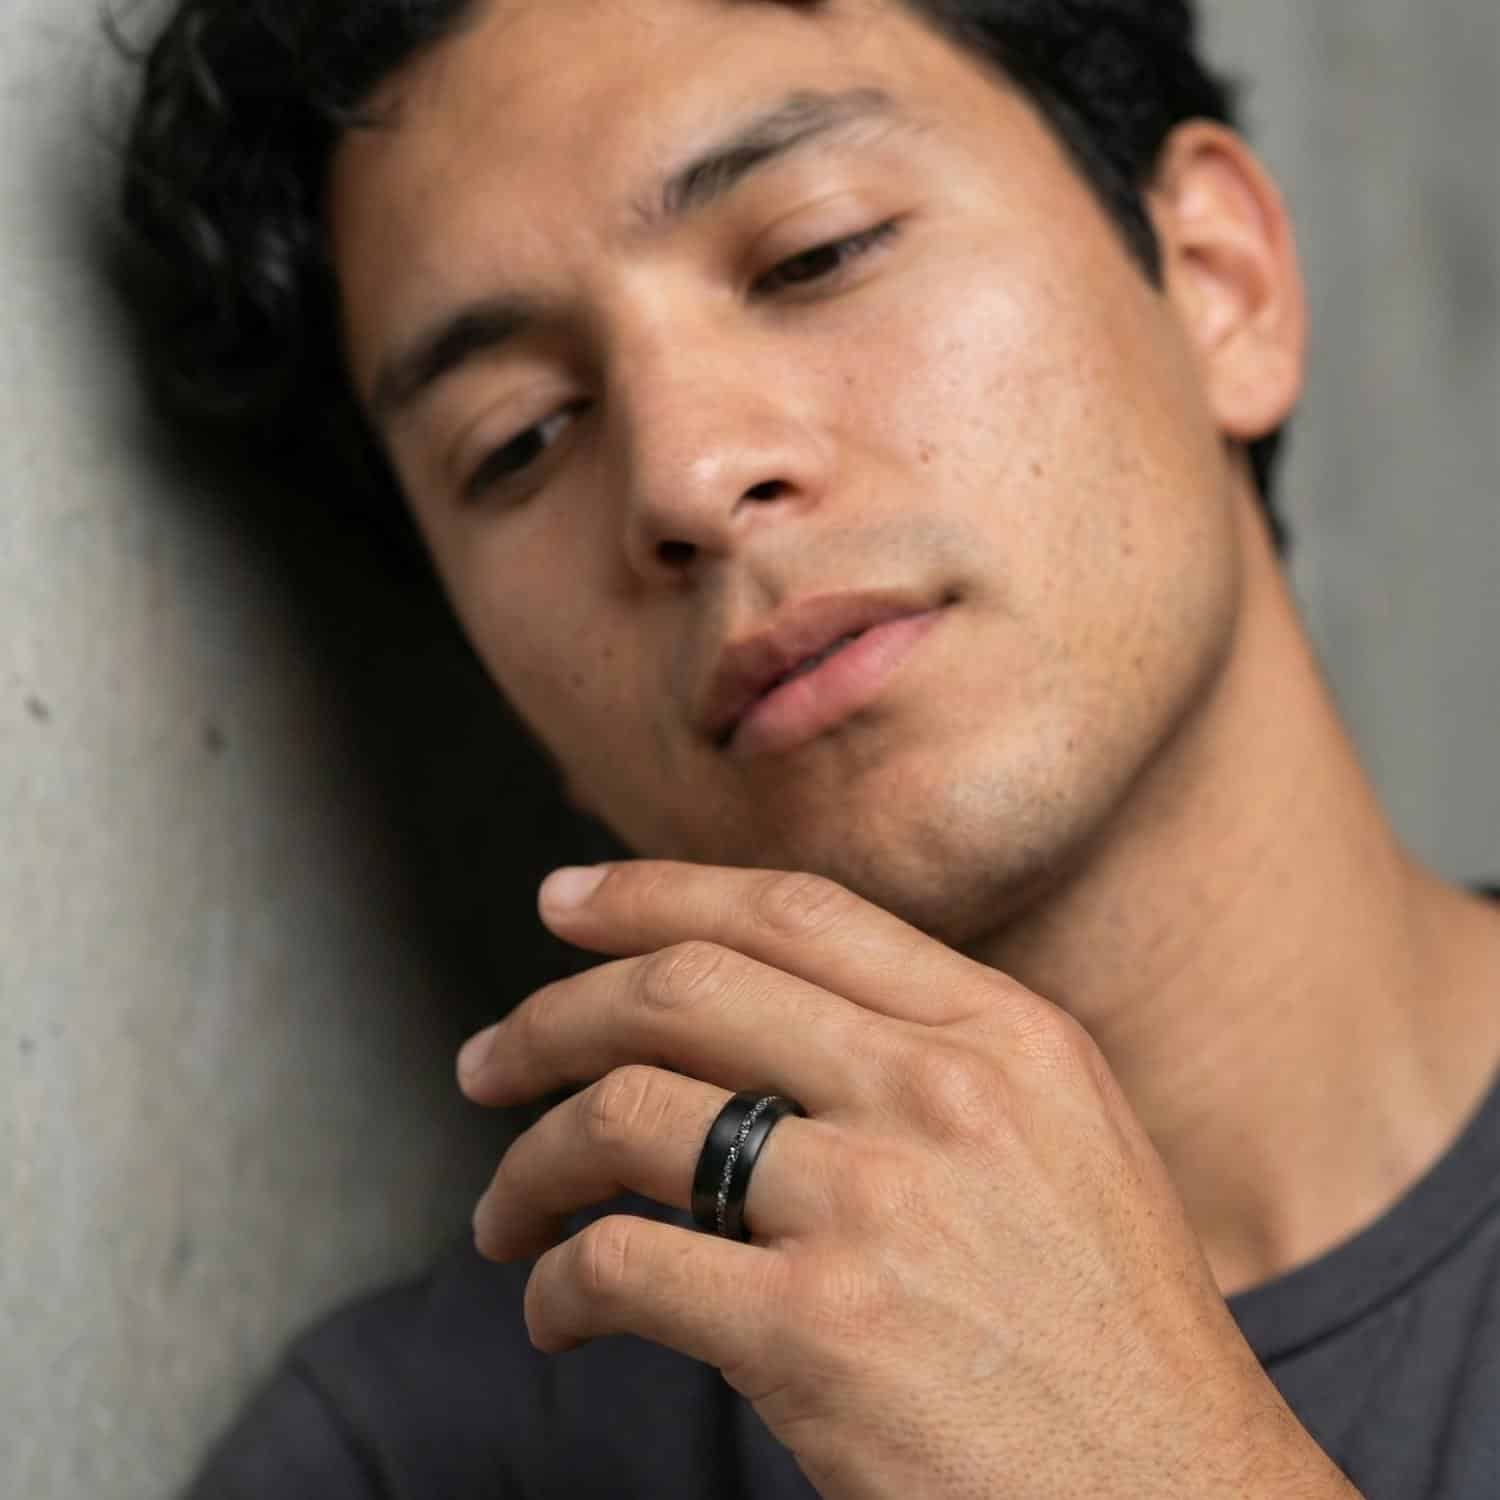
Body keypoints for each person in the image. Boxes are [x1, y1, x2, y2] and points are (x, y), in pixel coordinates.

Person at [117, 2, 1500, 1497]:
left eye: (814, 254)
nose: (686, 478)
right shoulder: (422, 1465)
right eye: (518, 438)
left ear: (1220, 286)